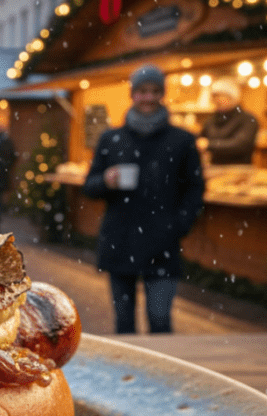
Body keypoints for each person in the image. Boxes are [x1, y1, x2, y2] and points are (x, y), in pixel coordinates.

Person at [82, 64, 205, 334]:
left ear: (162, 94)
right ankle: (126, 376)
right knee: (124, 322)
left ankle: (162, 375)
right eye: (142, 91)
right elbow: (89, 187)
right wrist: (106, 181)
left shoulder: (182, 141)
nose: (148, 97)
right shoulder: (111, 138)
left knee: (160, 321)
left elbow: (195, 189)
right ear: (132, 94)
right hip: (120, 239)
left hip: (163, 243)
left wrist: (179, 225)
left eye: (154, 91)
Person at [199, 78, 259, 165]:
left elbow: (241, 145)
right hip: (214, 168)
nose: (217, 100)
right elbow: (200, 139)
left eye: (221, 96)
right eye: (215, 96)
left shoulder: (248, 119)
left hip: (240, 170)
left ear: (233, 98)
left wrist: (208, 144)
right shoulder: (210, 120)